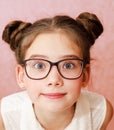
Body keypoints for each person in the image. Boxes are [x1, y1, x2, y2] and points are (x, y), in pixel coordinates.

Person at [0, 12, 113, 130]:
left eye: (68, 65)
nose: (54, 80)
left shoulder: (100, 112)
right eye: (39, 65)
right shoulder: (5, 117)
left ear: (85, 75)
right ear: (21, 76)